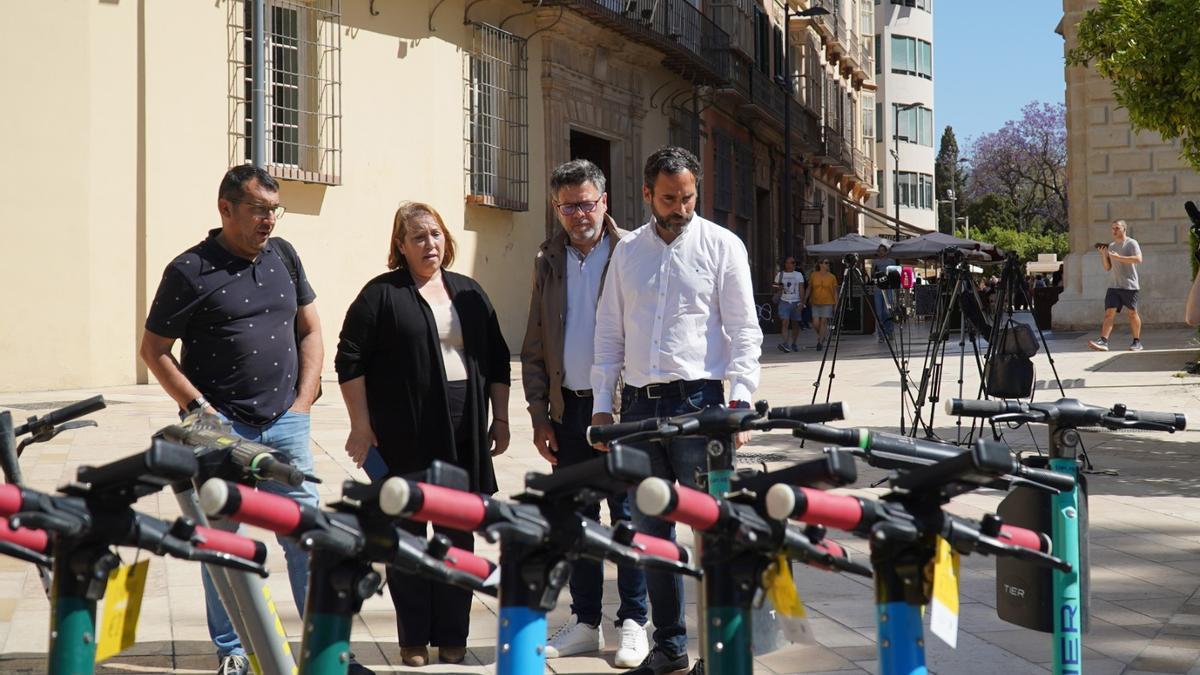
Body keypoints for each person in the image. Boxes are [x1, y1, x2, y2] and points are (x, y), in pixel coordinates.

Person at [139, 166, 358, 675]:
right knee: (224, 540)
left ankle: (323, 652)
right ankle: (233, 652)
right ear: (226, 208)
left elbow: (311, 328)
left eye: (274, 210)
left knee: (306, 535)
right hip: (218, 430)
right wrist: (199, 411)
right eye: (259, 209)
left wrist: (304, 399)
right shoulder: (188, 269)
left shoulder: (283, 256)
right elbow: (154, 350)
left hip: (286, 422)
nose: (269, 221)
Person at [590, 146, 763, 675]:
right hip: (640, 409)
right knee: (650, 532)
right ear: (647, 195)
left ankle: (721, 647)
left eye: (688, 197)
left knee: (713, 530)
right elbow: (609, 334)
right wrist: (602, 407)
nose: (680, 207)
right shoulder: (627, 253)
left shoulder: (723, 245)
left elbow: (744, 331)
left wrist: (740, 404)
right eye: (669, 198)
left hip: (703, 406)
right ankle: (669, 646)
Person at [334, 202, 511, 667]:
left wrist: (503, 418)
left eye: (435, 234)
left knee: (458, 534)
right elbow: (349, 360)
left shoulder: (469, 291)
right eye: (418, 237)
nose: (430, 244)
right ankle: (413, 639)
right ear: (401, 246)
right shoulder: (380, 294)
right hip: (404, 433)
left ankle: (453, 635)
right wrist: (360, 424)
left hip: (464, 432)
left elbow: (496, 358)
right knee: (407, 532)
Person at [519, 159, 649, 665]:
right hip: (567, 410)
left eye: (587, 203)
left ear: (605, 201)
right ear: (556, 208)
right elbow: (533, 344)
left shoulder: (632, 251)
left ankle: (635, 620)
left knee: (629, 519)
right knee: (575, 520)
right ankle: (587, 622)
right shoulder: (546, 257)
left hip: (622, 412)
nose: (579, 214)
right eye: (568, 206)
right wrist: (537, 415)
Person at [1088, 219, 1144, 351]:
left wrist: (1119, 258)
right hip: (1114, 286)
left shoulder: (1131, 243)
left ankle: (1137, 342)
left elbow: (1138, 259)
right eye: (1112, 228)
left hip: (1130, 285)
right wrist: (1103, 255)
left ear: (1124, 229)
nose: (1114, 231)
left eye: (1117, 228)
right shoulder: (1111, 246)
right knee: (1109, 313)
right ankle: (1103, 341)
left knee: (1132, 313)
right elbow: (1108, 267)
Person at [773, 256, 806, 352]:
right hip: (784, 301)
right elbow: (774, 286)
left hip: (796, 301)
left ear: (794, 264)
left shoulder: (798, 275)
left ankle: (794, 343)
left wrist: (801, 302)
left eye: (791, 263)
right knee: (785, 322)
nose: (789, 265)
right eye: (787, 263)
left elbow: (801, 288)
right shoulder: (780, 274)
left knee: (795, 323)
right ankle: (786, 343)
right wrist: (779, 287)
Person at [807, 258, 838, 350]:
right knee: (815, 323)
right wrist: (805, 298)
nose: (828, 265)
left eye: (828, 263)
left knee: (823, 322)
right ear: (820, 264)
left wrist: (836, 304)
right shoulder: (814, 275)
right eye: (826, 263)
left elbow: (835, 291)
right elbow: (809, 288)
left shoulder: (832, 277)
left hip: (828, 302)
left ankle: (820, 342)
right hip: (815, 301)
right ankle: (822, 335)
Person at [871, 245, 897, 343]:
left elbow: (894, 274)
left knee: (887, 311)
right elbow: (872, 275)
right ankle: (881, 334)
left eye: (883, 251)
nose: (881, 252)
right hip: (877, 289)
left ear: (886, 252)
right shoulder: (874, 262)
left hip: (888, 288)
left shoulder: (891, 261)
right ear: (877, 252)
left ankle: (889, 331)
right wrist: (874, 271)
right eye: (879, 251)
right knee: (879, 313)